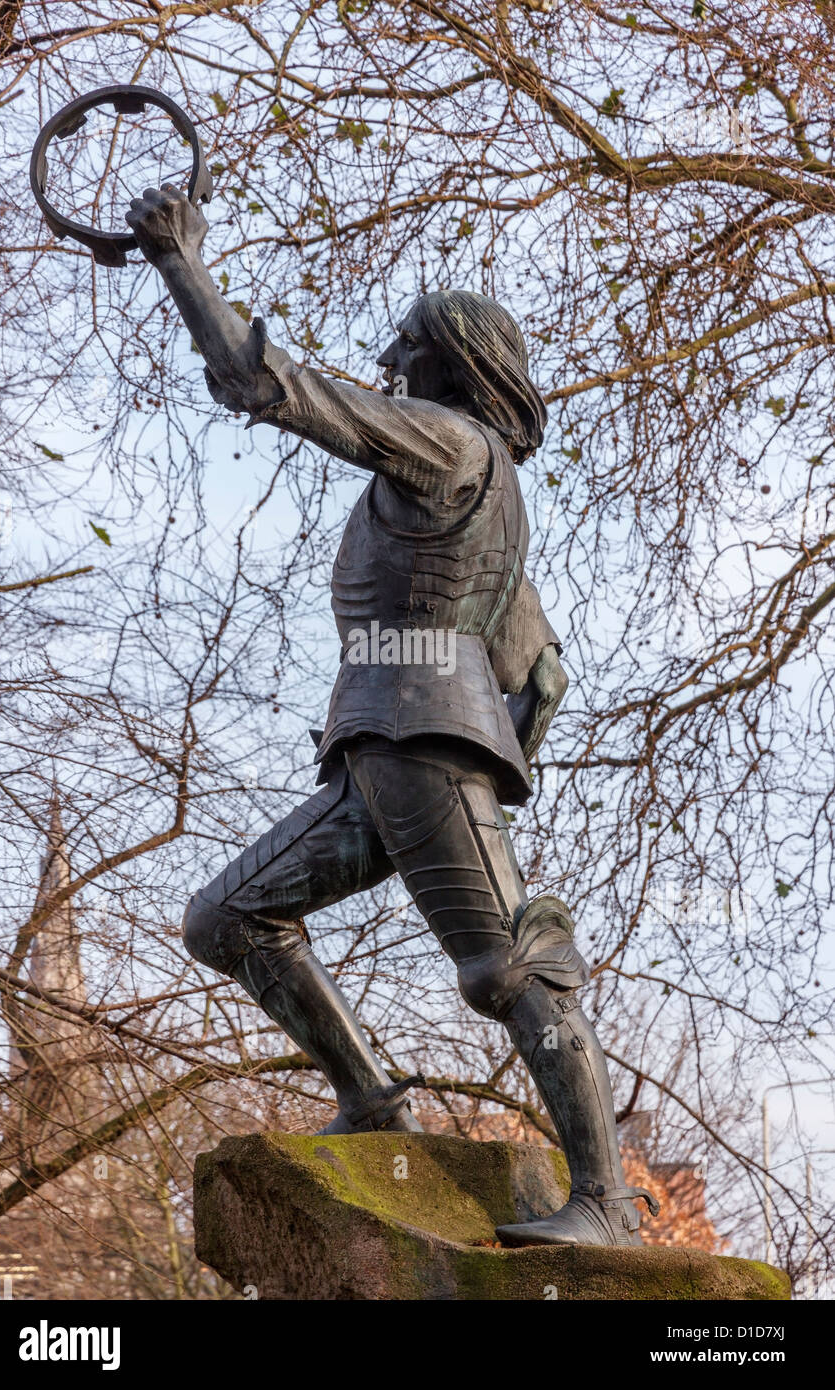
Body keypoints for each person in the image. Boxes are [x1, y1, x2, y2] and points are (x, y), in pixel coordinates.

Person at [125, 184, 657, 1246]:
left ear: (449, 364)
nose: (386, 356)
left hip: (416, 744)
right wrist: (482, 747)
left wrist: (180, 259)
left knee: (510, 965)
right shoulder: (480, 487)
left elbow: (257, 378)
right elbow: (541, 677)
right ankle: (371, 1099)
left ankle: (606, 1205)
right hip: (384, 751)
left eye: (405, 341)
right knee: (225, 920)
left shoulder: (447, 446)